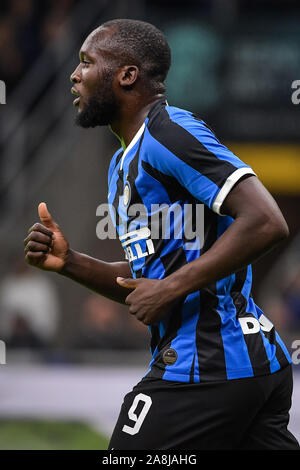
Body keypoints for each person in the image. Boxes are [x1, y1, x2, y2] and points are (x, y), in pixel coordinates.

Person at [24, 19, 299, 450]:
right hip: (248, 365)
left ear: (127, 75)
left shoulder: (169, 134)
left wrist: (168, 288)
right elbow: (146, 286)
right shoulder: (122, 164)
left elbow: (267, 221)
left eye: (86, 62)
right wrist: (70, 261)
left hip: (206, 364)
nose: (74, 75)